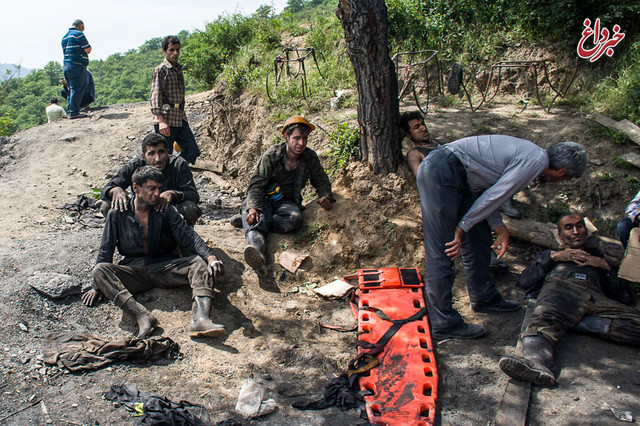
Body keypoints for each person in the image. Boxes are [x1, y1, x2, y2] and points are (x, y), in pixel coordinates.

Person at [417, 136, 587, 340]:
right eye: (564, 180)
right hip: (441, 172)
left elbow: (487, 192)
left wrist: (498, 226)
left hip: (456, 174)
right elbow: (496, 195)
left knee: (479, 236)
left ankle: (484, 297)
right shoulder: (535, 161)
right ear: (562, 173)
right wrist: (461, 228)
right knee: (444, 248)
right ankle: (443, 322)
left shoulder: (532, 156)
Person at [82, 166, 226, 339]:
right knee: (99, 270)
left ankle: (200, 319)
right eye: (152, 188)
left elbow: (189, 236)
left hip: (164, 266)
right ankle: (141, 315)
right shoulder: (117, 213)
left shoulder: (165, 210)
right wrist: (96, 286)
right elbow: (105, 250)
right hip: (134, 271)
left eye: (159, 188)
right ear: (135, 188)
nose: (157, 193)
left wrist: (211, 258)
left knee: (198, 262)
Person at [499, 213, 637, 387]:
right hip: (561, 288)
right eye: (569, 228)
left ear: (586, 231)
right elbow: (525, 282)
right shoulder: (550, 255)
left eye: (579, 226)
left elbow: (624, 297)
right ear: (560, 235)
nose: (576, 232)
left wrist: (604, 267)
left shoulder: (598, 257)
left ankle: (579, 322)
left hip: (594, 297)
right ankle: (536, 364)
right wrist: (554, 258)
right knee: (544, 319)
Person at [400, 111, 509, 274]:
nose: (423, 128)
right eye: (417, 127)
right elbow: (422, 178)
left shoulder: (443, 142)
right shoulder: (416, 154)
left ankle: (491, 246)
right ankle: (486, 258)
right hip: (450, 193)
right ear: (409, 135)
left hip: (471, 182)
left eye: (422, 124)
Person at [240, 115, 334, 276]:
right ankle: (258, 253)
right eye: (297, 138)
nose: (301, 143)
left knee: (295, 220)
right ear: (286, 137)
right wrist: (252, 208)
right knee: (256, 219)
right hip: (264, 198)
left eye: (304, 138)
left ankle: (253, 220)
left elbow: (321, 180)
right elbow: (256, 184)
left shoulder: (309, 157)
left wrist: (325, 195)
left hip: (286, 203)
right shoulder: (271, 156)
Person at [99, 133, 202, 226]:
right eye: (152, 153)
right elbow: (107, 188)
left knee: (189, 208)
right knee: (107, 206)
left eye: (161, 152)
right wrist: (115, 190)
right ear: (143, 156)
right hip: (140, 215)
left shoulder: (178, 165)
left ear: (168, 151)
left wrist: (173, 194)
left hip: (169, 216)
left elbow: (193, 195)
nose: (158, 158)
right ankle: (123, 240)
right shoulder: (135, 165)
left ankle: (185, 242)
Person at [150, 36, 200, 165]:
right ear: (164, 51)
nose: (175, 53)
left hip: (179, 118)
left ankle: (175, 170)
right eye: (171, 50)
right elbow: (155, 95)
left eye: (177, 50)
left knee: (192, 150)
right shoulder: (161, 70)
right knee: (164, 156)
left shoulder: (178, 69)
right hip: (166, 119)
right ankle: (166, 179)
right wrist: (160, 120)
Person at [61, 19, 91, 119]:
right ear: (81, 25)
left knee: (70, 89)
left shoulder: (65, 37)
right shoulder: (79, 34)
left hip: (66, 65)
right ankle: (74, 112)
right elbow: (88, 49)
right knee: (77, 88)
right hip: (76, 65)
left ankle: (70, 111)